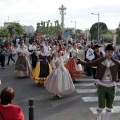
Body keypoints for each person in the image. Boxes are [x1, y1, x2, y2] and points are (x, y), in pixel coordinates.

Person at [77, 44, 119, 120]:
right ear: (105, 52)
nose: (110, 53)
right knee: (101, 107)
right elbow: (89, 64)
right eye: (109, 52)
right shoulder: (100, 60)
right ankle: (98, 117)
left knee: (109, 107)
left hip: (111, 87)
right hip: (102, 86)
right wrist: (80, 62)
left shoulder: (116, 63)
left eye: (112, 52)